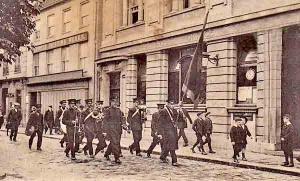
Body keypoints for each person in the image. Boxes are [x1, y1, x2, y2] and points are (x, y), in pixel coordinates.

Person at [103, 99, 126, 164]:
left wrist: (124, 124)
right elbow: (105, 121)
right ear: (111, 102)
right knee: (115, 142)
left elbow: (122, 118)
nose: (115, 103)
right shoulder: (108, 110)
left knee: (115, 142)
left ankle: (107, 153)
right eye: (113, 102)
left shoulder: (119, 110)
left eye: (116, 102)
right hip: (111, 128)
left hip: (118, 128)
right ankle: (117, 157)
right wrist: (104, 131)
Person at [157, 99, 179, 166]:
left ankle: (162, 157)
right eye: (171, 104)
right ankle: (174, 161)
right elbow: (160, 123)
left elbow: (178, 118)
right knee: (172, 145)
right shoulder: (164, 111)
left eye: (173, 104)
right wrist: (159, 133)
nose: (172, 105)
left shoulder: (174, 111)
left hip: (173, 130)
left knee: (167, 146)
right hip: (166, 131)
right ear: (168, 104)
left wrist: (180, 111)